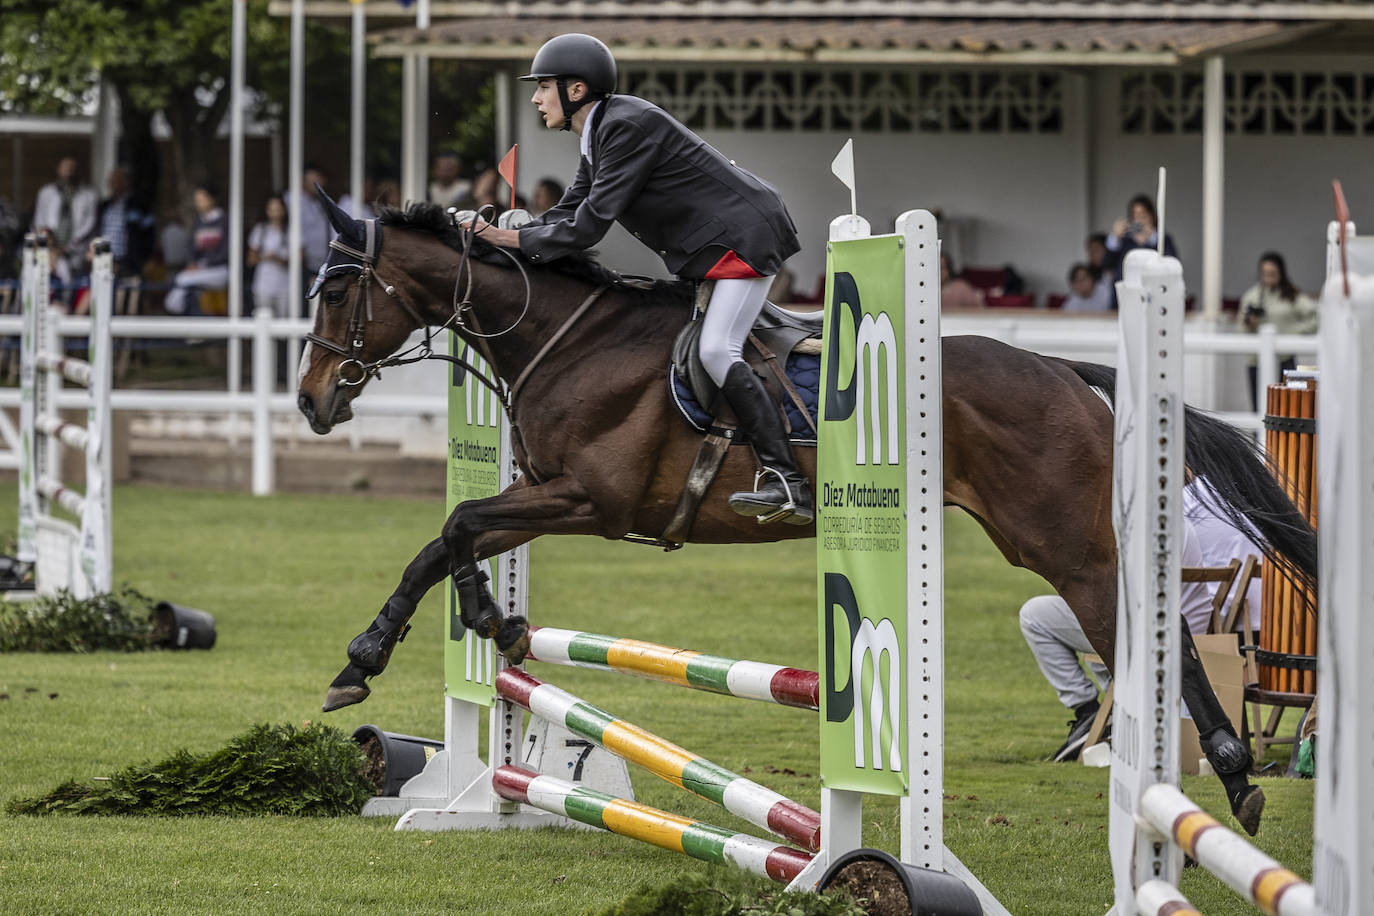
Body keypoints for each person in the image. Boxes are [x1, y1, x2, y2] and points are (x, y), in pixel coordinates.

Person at [463, 33, 809, 524]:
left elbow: (588, 226)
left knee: (716, 349)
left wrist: (501, 241)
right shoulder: (600, 130)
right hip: (722, 242)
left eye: (543, 87)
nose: (537, 98)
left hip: (744, 241)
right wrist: (502, 233)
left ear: (576, 90)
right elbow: (569, 209)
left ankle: (787, 481)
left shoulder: (625, 127)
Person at [1020, 475, 1263, 762]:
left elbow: (1116, 593)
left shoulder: (1143, 524)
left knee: (1035, 616)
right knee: (1067, 617)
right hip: (1188, 631)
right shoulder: (1183, 518)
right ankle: (1102, 713)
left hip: (1153, 634)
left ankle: (1089, 711)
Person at [1236, 251, 1317, 409]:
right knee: (1260, 407)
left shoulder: (1292, 296)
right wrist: (1249, 324)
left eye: (1272, 274)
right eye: (1265, 274)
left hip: (1286, 358)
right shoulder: (1252, 296)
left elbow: (1314, 319)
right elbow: (1241, 327)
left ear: (1281, 273)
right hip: (1257, 360)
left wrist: (1292, 333)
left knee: (1290, 408)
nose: (1268, 278)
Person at [31, 155, 98, 287]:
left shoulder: (89, 195)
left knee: (72, 285)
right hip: (50, 248)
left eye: (72, 168)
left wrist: (68, 247)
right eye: (65, 168)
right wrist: (50, 244)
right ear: (59, 170)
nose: (68, 172)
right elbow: (39, 219)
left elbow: (90, 223)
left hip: (75, 250)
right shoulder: (47, 192)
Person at [164, 185, 229, 315]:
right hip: (199, 269)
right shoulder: (198, 222)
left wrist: (204, 265)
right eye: (197, 200)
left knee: (183, 280)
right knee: (184, 284)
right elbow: (191, 247)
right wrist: (193, 262)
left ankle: (175, 311)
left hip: (220, 269)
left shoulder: (225, 221)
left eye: (201, 199)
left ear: (212, 199)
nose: (198, 203)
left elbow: (227, 250)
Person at [1104, 194, 1179, 297]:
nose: (1139, 220)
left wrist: (1152, 238)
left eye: (1143, 215)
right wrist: (1115, 238)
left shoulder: (1162, 239)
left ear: (1152, 216)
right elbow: (1107, 263)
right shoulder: (1124, 240)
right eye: (1135, 216)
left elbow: (1172, 264)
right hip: (1125, 295)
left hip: (1154, 294)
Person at [92, 166, 155, 278]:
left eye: (116, 181)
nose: (111, 184)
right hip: (104, 259)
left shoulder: (139, 206)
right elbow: (96, 231)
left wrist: (143, 259)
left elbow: (149, 235)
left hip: (128, 263)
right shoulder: (104, 206)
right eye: (110, 181)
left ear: (126, 183)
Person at [283, 163, 332, 303]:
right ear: (303, 179)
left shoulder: (318, 203)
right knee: (301, 301)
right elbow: (292, 226)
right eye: (315, 180)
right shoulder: (293, 199)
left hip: (318, 265)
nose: (320, 183)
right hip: (301, 263)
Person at [247, 195, 293, 317]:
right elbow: (250, 260)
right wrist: (266, 257)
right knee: (262, 320)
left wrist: (278, 259)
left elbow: (299, 260)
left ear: (284, 210)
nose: (275, 213)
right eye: (271, 209)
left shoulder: (290, 231)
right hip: (262, 286)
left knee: (283, 326)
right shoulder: (260, 230)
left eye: (278, 209)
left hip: (284, 288)